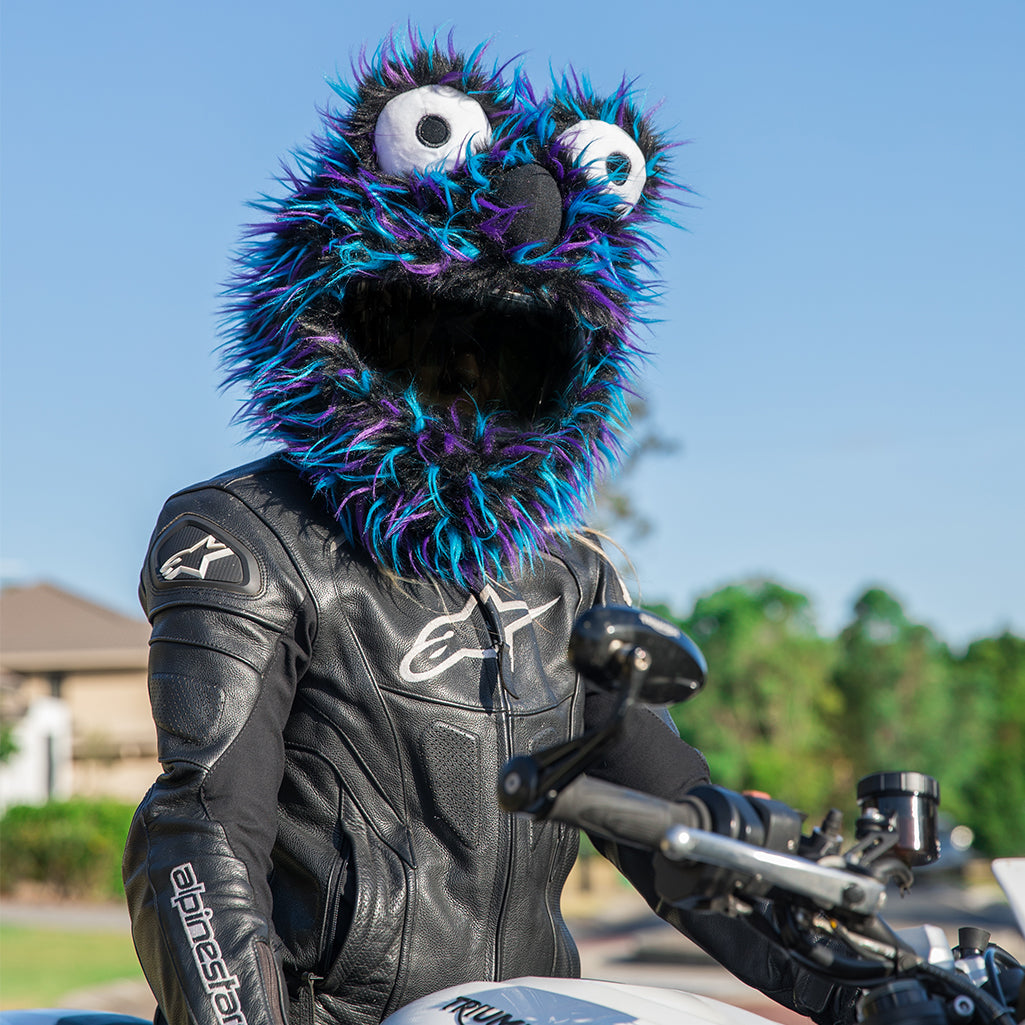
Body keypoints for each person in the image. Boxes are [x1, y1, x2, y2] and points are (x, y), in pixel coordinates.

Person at [123, 32, 854, 1025]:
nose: (466, 384)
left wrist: (875, 982)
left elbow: (679, 834)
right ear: (341, 317)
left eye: (511, 355)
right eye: (428, 339)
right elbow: (203, 833)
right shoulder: (244, 535)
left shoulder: (570, 578)